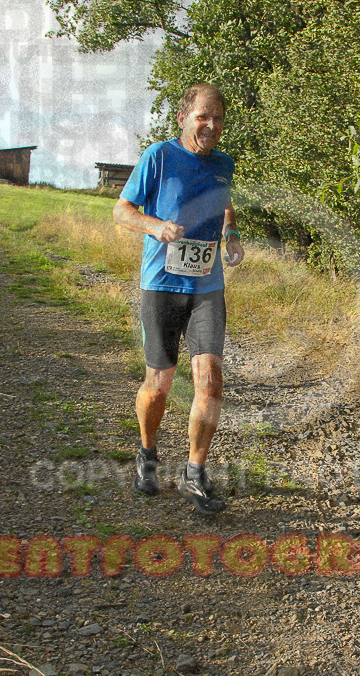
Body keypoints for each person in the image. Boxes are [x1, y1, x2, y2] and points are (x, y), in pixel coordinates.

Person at [113, 83, 244, 515]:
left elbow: (224, 205)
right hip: (162, 286)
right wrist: (155, 227)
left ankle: (194, 473)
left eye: (218, 118)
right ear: (183, 118)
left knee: (211, 381)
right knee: (159, 385)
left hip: (207, 287)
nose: (211, 125)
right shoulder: (159, 156)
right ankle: (147, 453)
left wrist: (231, 233)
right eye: (203, 116)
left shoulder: (224, 164)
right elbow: (121, 210)